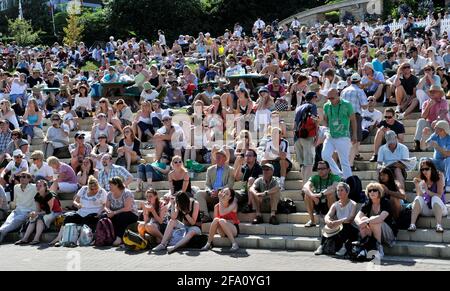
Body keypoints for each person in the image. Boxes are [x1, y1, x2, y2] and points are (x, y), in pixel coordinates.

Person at [49, 176, 107, 247]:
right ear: (88, 187)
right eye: (92, 189)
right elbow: (75, 201)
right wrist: (77, 205)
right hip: (81, 212)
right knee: (68, 218)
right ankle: (59, 238)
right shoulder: (83, 189)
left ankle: (78, 241)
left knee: (87, 220)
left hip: (94, 213)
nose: (94, 190)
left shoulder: (102, 192)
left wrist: (100, 213)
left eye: (96, 188)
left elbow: (105, 205)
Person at [314, 182, 358, 256]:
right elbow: (328, 215)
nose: (339, 192)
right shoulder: (335, 204)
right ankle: (321, 246)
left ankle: (344, 247)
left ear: (347, 192)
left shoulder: (353, 204)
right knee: (327, 226)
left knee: (345, 225)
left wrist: (338, 222)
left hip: (351, 228)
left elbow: (350, 218)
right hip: (339, 227)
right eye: (338, 190)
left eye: (341, 190)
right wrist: (328, 221)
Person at [322, 88, 357, 179]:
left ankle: (349, 181)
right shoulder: (326, 106)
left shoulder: (347, 104)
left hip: (343, 136)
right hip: (330, 135)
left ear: (338, 95)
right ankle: (338, 174)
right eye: (328, 98)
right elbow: (325, 120)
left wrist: (354, 134)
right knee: (325, 155)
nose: (330, 100)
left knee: (344, 161)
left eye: (332, 98)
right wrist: (326, 130)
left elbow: (353, 120)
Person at [15, 180, 62, 245]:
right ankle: (25, 239)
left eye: (40, 186)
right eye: (37, 186)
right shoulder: (37, 196)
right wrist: (33, 214)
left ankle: (36, 239)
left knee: (39, 218)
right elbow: (38, 210)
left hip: (55, 213)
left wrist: (37, 213)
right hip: (45, 213)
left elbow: (49, 211)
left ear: (45, 187)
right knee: (33, 217)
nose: (38, 187)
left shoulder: (50, 195)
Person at [356, 183, 396, 258]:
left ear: (379, 192)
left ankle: (379, 249)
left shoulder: (385, 202)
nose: (372, 192)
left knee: (374, 220)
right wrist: (361, 223)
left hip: (388, 234)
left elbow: (381, 218)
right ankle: (365, 248)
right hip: (373, 232)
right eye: (370, 190)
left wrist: (367, 221)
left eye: (374, 190)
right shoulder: (368, 203)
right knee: (363, 219)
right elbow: (357, 217)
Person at [194, 149, 235, 223]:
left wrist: (219, 191)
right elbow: (207, 184)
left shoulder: (230, 169)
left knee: (227, 194)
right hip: (212, 194)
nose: (217, 159)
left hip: (223, 194)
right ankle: (206, 216)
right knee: (199, 194)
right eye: (216, 157)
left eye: (219, 157)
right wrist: (210, 192)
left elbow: (230, 185)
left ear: (224, 158)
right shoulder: (210, 169)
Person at [409, 160, 447, 233]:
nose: (424, 171)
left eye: (426, 169)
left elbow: (439, 195)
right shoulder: (422, 179)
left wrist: (427, 191)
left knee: (435, 198)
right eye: (422, 169)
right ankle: (412, 224)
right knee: (417, 198)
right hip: (427, 209)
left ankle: (439, 225)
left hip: (440, 209)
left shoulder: (439, 176)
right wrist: (417, 185)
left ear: (432, 168)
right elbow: (420, 195)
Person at [303, 160, 342, 227]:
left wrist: (321, 194)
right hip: (318, 202)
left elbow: (333, 187)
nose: (320, 171)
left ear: (328, 169)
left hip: (330, 204)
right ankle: (312, 221)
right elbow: (305, 187)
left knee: (331, 194)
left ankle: (331, 219)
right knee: (307, 195)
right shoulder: (315, 178)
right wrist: (312, 196)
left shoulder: (335, 177)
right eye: (318, 169)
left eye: (323, 169)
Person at [0, 172, 36, 243]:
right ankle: (1, 232)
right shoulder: (16, 187)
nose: (21, 178)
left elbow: (46, 191)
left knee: (14, 221)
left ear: (29, 179)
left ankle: (1, 231)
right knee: (8, 222)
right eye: (20, 177)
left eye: (24, 177)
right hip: (17, 210)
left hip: (27, 212)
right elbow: (15, 201)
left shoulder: (34, 187)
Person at [201, 188, 240, 252]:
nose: (224, 195)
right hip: (222, 230)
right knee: (217, 219)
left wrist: (220, 200)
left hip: (233, 229)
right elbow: (216, 221)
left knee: (221, 220)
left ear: (230, 197)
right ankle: (208, 243)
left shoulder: (233, 204)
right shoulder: (216, 206)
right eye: (223, 192)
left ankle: (234, 244)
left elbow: (222, 213)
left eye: (227, 194)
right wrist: (226, 221)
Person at [413, 85, 449, 152]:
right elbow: (423, 116)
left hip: (441, 125)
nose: (432, 93)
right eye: (431, 91)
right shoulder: (425, 103)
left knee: (442, 122)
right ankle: (417, 143)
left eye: (434, 91)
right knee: (421, 121)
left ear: (439, 93)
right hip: (431, 125)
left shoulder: (443, 102)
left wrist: (437, 120)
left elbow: (443, 113)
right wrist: (429, 106)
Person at [105, 176, 139, 246]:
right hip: (116, 213)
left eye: (111, 185)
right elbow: (106, 206)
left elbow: (128, 208)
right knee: (103, 216)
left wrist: (114, 213)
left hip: (131, 214)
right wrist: (108, 211)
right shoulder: (109, 194)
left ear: (117, 185)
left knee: (121, 216)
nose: (109, 186)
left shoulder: (127, 193)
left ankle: (119, 238)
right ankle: (107, 236)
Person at [294, 92, 319, 185]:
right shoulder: (312, 106)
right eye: (316, 97)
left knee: (302, 164)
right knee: (309, 163)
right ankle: (306, 186)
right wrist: (317, 135)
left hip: (297, 137)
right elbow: (314, 119)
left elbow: (295, 123)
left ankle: (303, 184)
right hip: (308, 136)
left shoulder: (298, 108)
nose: (317, 99)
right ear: (313, 97)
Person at [422, 120, 450, 192]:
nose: (434, 129)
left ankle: (448, 184)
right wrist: (424, 136)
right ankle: (423, 184)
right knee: (423, 160)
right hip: (436, 162)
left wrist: (437, 146)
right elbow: (423, 147)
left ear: (442, 130)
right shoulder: (435, 135)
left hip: (445, 163)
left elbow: (448, 154)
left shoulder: (449, 138)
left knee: (449, 159)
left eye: (436, 128)